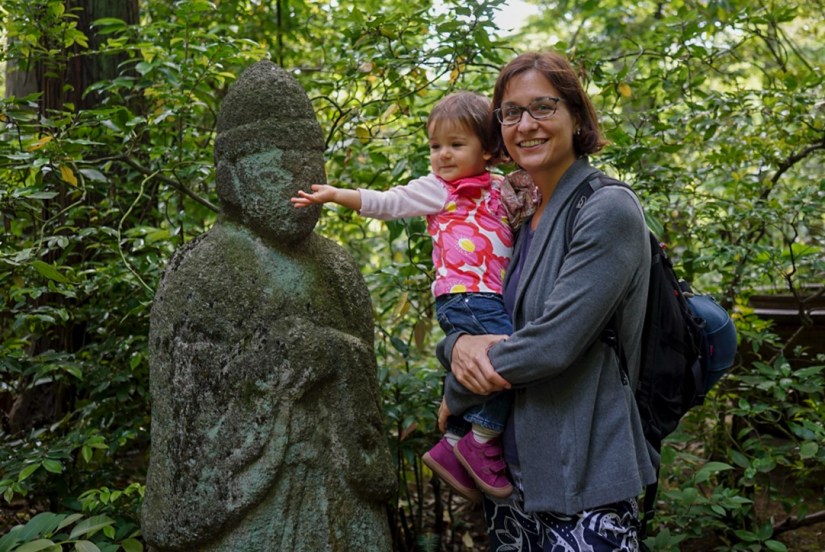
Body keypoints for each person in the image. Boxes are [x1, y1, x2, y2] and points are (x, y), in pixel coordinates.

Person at [436, 52, 658, 550]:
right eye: (511, 113)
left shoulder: (607, 209)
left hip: (586, 482)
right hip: (513, 480)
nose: (526, 125)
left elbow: (552, 345)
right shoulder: (519, 216)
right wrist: (454, 348)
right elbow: (484, 321)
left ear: (577, 117)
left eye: (543, 107)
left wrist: (458, 387)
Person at [291, 91, 539, 502]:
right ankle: (481, 439)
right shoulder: (438, 190)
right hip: (464, 295)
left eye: (456, 145)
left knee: (489, 364)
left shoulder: (498, 189)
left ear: (488, 148)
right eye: (435, 146)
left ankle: (453, 442)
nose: (443, 155)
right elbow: (388, 202)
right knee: (505, 360)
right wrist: (337, 194)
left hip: (490, 296)